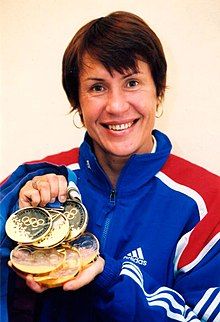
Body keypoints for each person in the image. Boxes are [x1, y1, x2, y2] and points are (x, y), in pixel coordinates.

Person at [0, 11, 219, 322]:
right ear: (77, 101)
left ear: (159, 91)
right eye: (97, 87)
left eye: (132, 82)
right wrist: (13, 231)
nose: (116, 106)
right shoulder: (33, 182)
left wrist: (109, 277)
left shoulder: (208, 204)